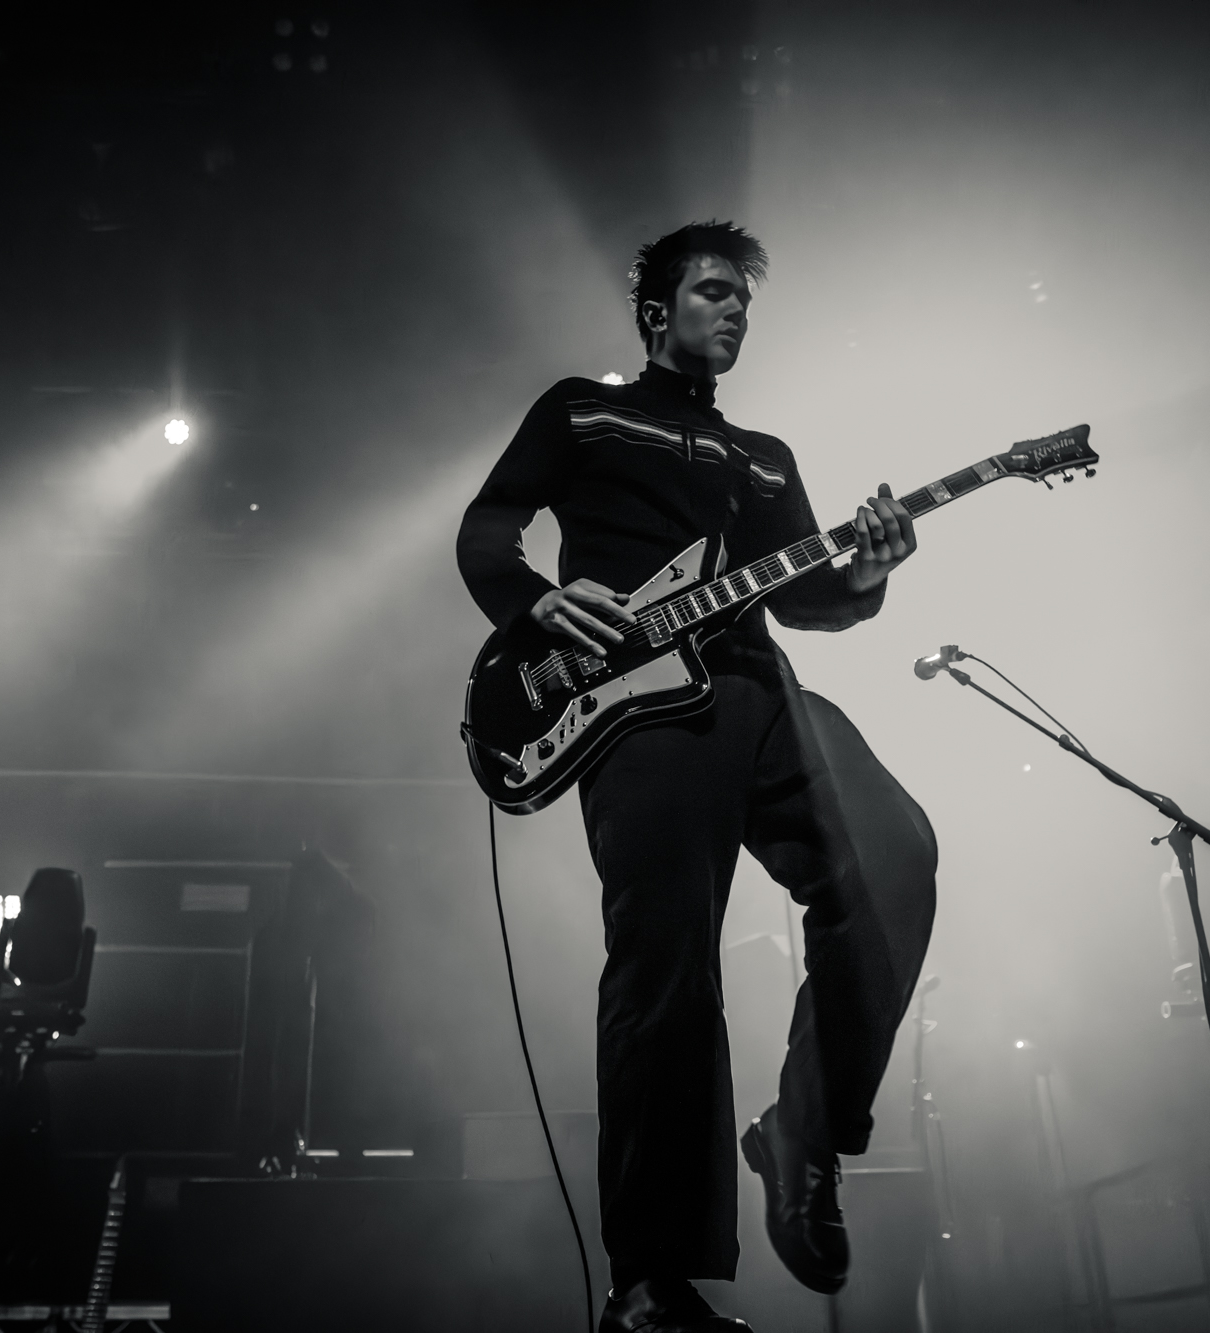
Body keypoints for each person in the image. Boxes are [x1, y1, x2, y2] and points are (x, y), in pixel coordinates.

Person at [456, 221, 937, 1333]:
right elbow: (487, 529)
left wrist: (866, 576)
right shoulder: (582, 409)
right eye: (714, 291)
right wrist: (535, 603)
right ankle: (650, 1284)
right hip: (635, 707)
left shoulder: (762, 456)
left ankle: (805, 1130)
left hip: (759, 690)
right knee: (666, 966)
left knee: (895, 857)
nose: (734, 311)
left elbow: (803, 600)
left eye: (743, 299)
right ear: (655, 310)